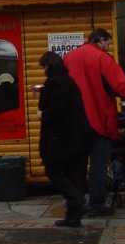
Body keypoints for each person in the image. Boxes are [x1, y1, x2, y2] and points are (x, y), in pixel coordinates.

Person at [64, 28, 125, 217]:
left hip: (74, 123)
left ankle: (74, 207)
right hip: (98, 121)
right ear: (101, 39)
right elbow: (119, 86)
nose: (108, 47)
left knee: (77, 168)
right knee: (98, 167)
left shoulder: (69, 57)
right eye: (108, 43)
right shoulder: (102, 58)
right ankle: (96, 206)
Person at [38, 51, 92, 227]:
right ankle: (73, 216)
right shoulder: (69, 81)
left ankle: (77, 202)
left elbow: (56, 109)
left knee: (53, 170)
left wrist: (43, 114)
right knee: (74, 174)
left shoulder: (55, 83)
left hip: (62, 137)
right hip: (79, 137)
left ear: (48, 66)